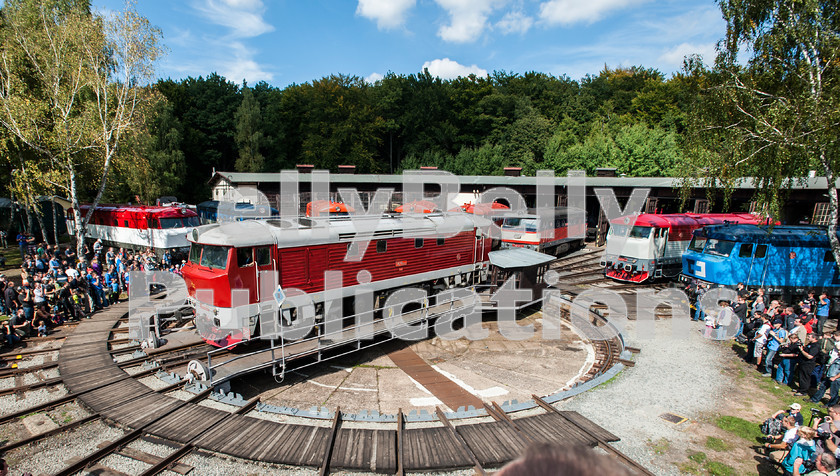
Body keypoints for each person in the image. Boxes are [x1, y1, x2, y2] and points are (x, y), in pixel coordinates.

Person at [812, 342, 840, 406]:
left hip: (835, 379)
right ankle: (815, 399)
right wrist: (825, 373)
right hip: (829, 376)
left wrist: (835, 377)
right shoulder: (838, 359)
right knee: (822, 387)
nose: (838, 352)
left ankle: (831, 405)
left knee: (833, 393)